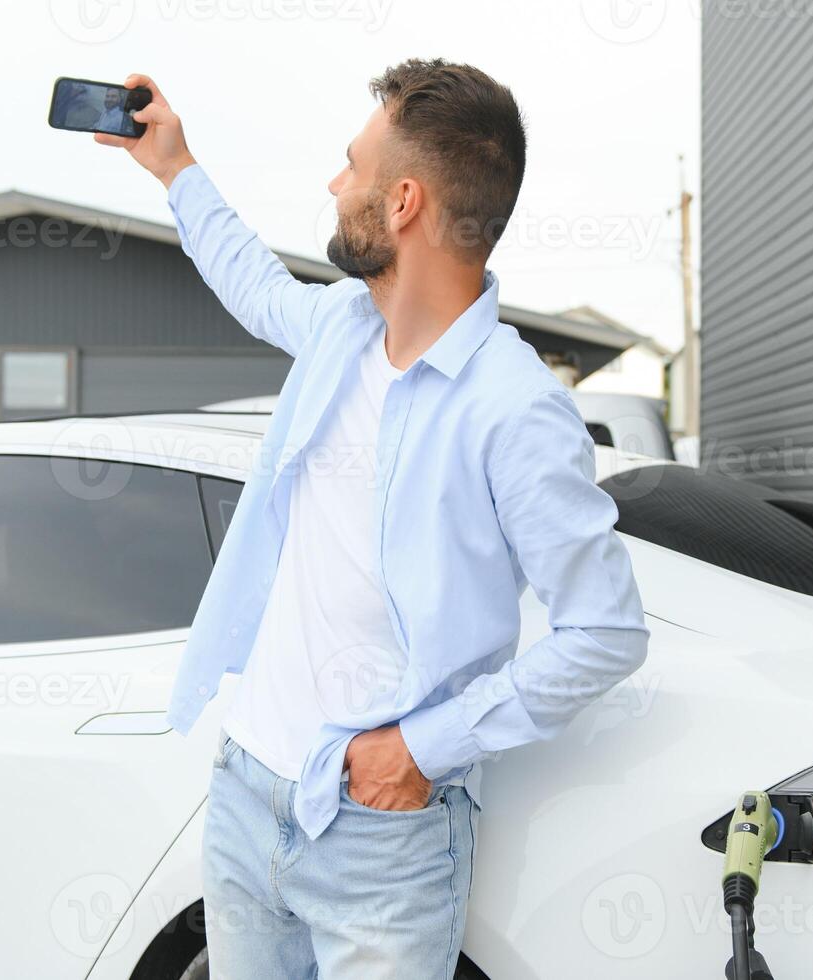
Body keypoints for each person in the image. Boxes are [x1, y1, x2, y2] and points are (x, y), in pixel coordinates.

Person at [95, 59, 648, 980]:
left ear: (401, 203)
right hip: (246, 791)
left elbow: (604, 630)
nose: (333, 183)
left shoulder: (514, 409)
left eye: (350, 166)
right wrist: (173, 166)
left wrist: (420, 749)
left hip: (382, 840)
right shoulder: (342, 330)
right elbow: (250, 280)